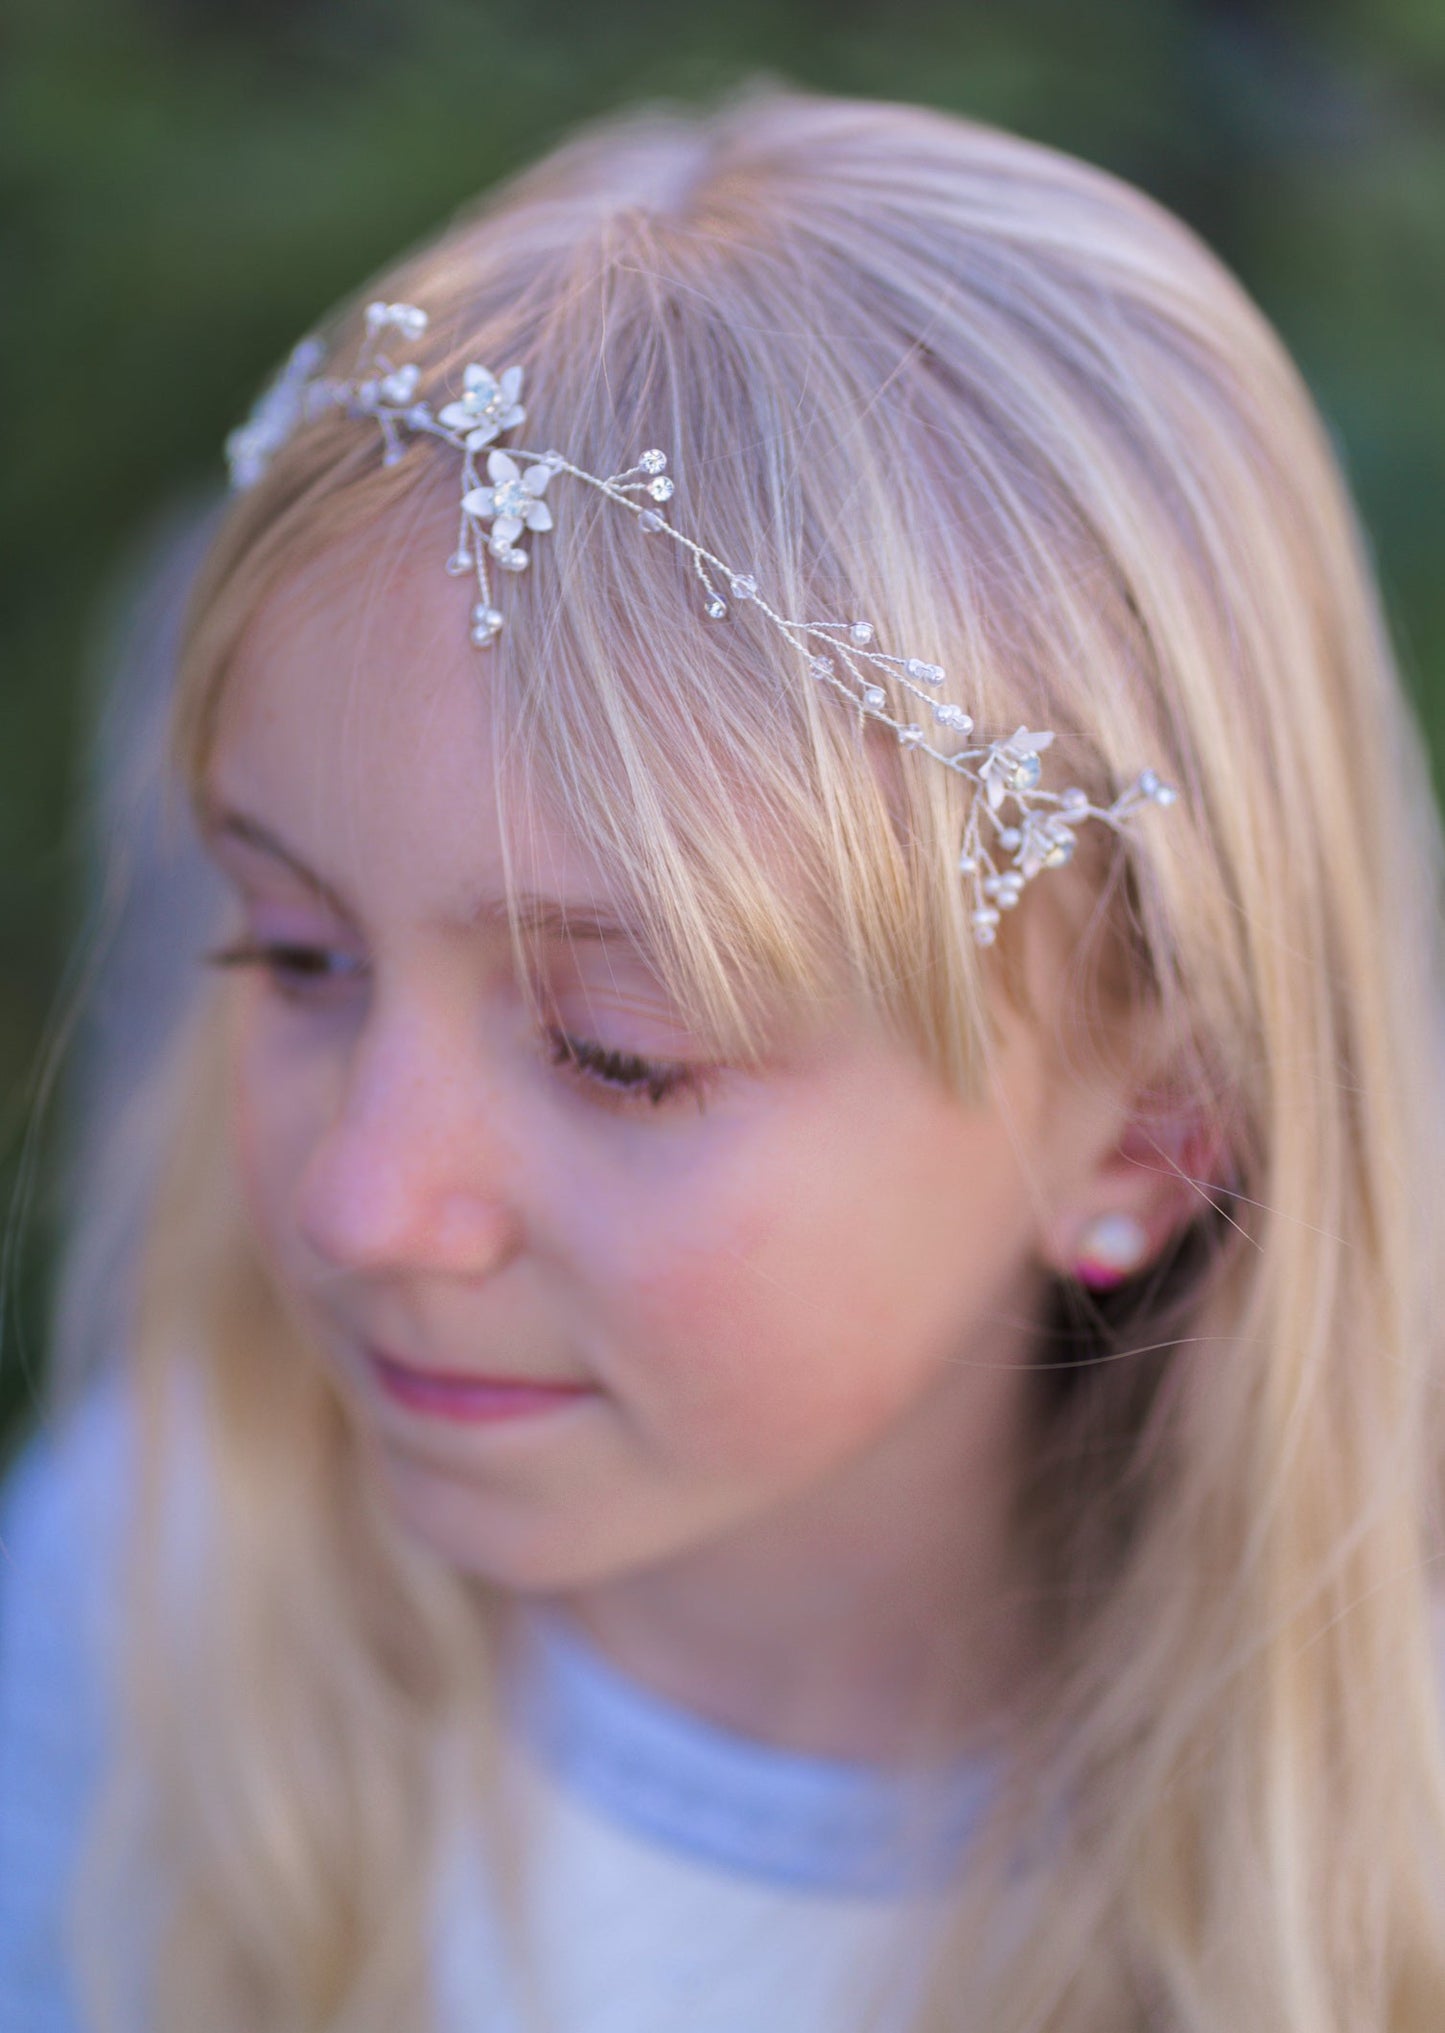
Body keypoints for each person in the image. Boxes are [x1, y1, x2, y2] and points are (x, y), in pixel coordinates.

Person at [4, 86, 1445, 2033]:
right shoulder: (154, 1599)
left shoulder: (1368, 1891)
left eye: (619, 1057)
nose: (360, 1203)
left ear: (1152, 1130)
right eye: (296, 951)